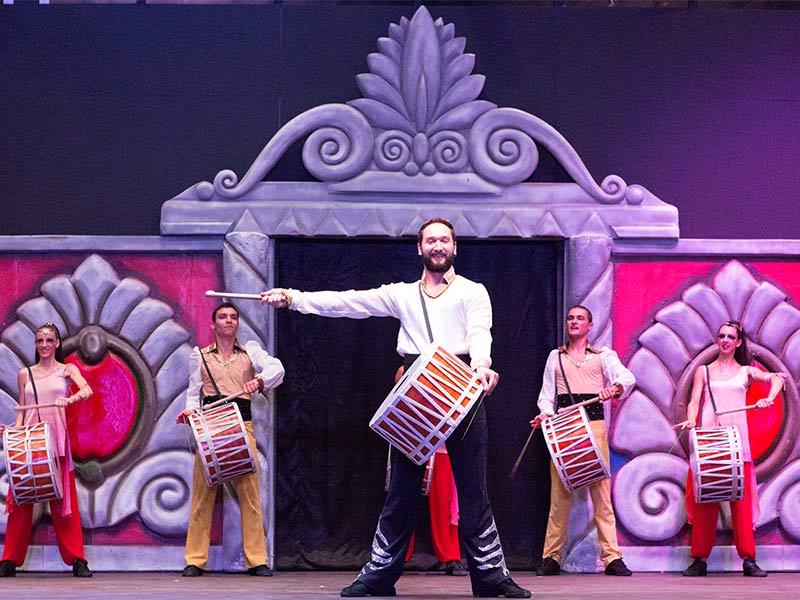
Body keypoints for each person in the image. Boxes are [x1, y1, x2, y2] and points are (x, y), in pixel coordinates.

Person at [262, 218, 530, 598]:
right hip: (417, 390)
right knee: (402, 490)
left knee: (473, 490)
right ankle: (378, 576)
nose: (438, 246)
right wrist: (293, 298)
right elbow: (349, 302)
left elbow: (479, 333)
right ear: (419, 248)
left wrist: (482, 367)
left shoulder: (473, 291)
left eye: (444, 240)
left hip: (462, 385)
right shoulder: (402, 294)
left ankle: (491, 577)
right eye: (431, 240)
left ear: (455, 247)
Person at [176, 302, 285, 577]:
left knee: (250, 495)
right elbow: (193, 392)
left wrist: (260, 381)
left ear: (237, 324)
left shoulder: (250, 352)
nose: (228, 321)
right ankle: (195, 559)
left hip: (242, 425)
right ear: (213, 324)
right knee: (203, 495)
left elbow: (277, 369)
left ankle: (257, 560)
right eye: (223, 317)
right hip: (210, 425)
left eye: (233, 317)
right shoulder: (200, 356)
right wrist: (190, 410)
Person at [532, 305, 635, 577]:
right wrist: (545, 414)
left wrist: (615, 388)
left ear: (590, 326)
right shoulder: (555, 357)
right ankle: (551, 557)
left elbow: (627, 377)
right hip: (564, 427)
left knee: (602, 496)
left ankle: (612, 557)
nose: (574, 321)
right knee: (559, 496)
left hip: (594, 426)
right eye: (570, 318)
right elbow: (547, 395)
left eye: (580, 318)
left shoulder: (603, 356)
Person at [676, 320, 782, 578]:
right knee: (706, 502)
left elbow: (777, 378)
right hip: (710, 442)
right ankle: (699, 559)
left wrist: (768, 397)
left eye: (730, 337)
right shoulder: (703, 371)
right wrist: (691, 419)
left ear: (738, 342)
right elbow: (694, 401)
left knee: (741, 504)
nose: (725, 340)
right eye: (722, 335)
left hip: (736, 442)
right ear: (717, 339)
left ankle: (749, 559)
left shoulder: (746, 372)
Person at [0, 323, 93, 578]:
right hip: (30, 442)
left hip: (56, 440)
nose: (44, 345)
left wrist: (70, 399)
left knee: (64, 504)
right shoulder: (25, 374)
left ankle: (77, 560)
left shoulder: (67, 370)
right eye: (40, 341)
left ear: (57, 343)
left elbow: (87, 389)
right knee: (21, 502)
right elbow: (23, 410)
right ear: (35, 344)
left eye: (49, 340)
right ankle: (9, 560)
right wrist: (13, 433)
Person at [391, 366, 467, 577]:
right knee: (403, 502)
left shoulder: (446, 367)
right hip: (412, 442)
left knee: (444, 503)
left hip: (441, 445)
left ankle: (451, 556)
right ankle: (396, 556)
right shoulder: (407, 366)